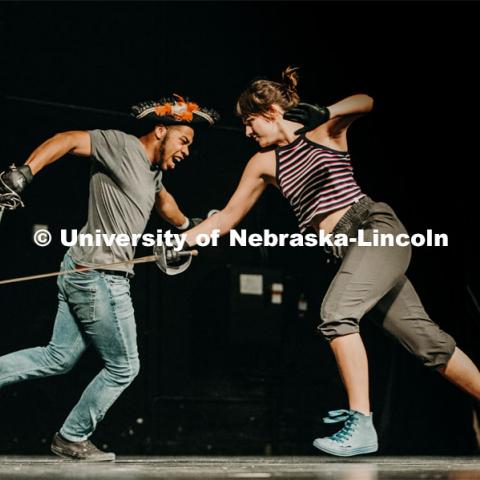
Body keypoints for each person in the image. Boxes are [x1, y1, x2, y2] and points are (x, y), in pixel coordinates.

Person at [171, 67, 480, 456]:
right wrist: (179, 241)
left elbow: (367, 100)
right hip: (350, 252)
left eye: (250, 123)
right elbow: (225, 219)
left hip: (374, 229)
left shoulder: (321, 131)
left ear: (269, 111)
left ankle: (362, 423)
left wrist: (325, 112)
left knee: (335, 313)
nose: (247, 133)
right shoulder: (263, 164)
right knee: (426, 342)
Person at [0, 95, 219, 460]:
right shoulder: (122, 145)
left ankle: (69, 435)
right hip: (100, 275)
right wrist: (26, 171)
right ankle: (72, 437)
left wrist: (187, 227)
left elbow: (162, 202)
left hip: (80, 269)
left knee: (58, 357)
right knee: (124, 366)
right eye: (184, 141)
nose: (186, 151)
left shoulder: (153, 172)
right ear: (161, 130)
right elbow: (68, 139)